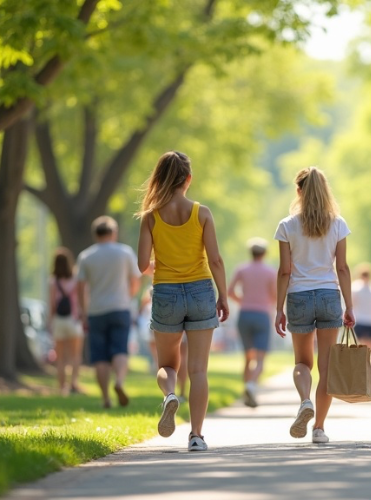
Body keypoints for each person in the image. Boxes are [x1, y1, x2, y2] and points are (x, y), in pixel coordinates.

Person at [137, 150, 229, 452]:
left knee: (167, 365)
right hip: (201, 290)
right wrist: (223, 295)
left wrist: (161, 262)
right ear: (188, 178)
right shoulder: (202, 213)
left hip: (166, 292)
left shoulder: (151, 216)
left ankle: (170, 395)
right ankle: (196, 436)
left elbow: (142, 264)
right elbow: (215, 259)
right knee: (199, 370)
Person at [274, 166, 355, 445]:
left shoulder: (287, 225)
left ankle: (305, 400)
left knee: (302, 362)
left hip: (299, 296)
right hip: (329, 296)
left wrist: (278, 309)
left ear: (298, 190)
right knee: (327, 367)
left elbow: (284, 271)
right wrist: (349, 305)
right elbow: (342, 268)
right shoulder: (338, 224)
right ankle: (319, 428)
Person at [77, 216, 141, 409]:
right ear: (113, 233)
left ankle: (106, 398)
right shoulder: (125, 252)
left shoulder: (86, 256)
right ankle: (119, 381)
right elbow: (135, 280)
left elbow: (80, 287)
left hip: (96, 310)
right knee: (120, 349)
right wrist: (128, 296)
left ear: (95, 234)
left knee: (100, 356)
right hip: (120, 307)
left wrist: (83, 311)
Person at [228, 237, 277, 408]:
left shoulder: (241, 269)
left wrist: (243, 301)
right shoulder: (270, 272)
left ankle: (247, 392)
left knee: (248, 358)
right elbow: (275, 295)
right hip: (262, 315)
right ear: (265, 253)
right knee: (260, 359)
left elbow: (230, 291)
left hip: (245, 314)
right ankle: (251, 386)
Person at [49, 247, 84, 396]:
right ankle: (74, 383)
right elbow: (81, 299)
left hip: (59, 320)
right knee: (75, 355)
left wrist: (49, 321)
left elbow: (52, 304)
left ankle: (62, 385)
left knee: (60, 356)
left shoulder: (53, 281)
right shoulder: (76, 279)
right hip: (73, 320)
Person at [351, 263, 371, 358]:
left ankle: (361, 361)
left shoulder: (354, 288)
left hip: (359, 319)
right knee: (370, 345)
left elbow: (352, 304)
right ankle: (367, 361)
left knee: (359, 343)